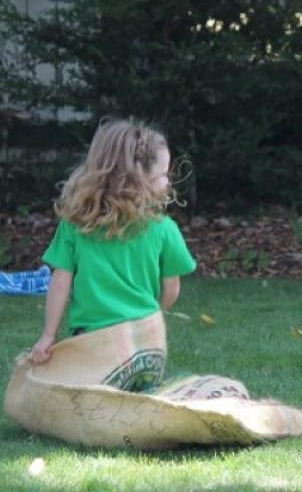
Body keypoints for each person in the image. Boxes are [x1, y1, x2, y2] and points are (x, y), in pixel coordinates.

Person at [29, 118, 196, 391]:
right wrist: (154, 316)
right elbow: (171, 289)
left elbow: (60, 281)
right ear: (138, 179)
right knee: (141, 398)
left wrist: (48, 336)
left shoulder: (76, 225)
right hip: (147, 346)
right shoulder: (165, 229)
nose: (168, 181)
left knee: (86, 399)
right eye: (163, 174)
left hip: (93, 344)